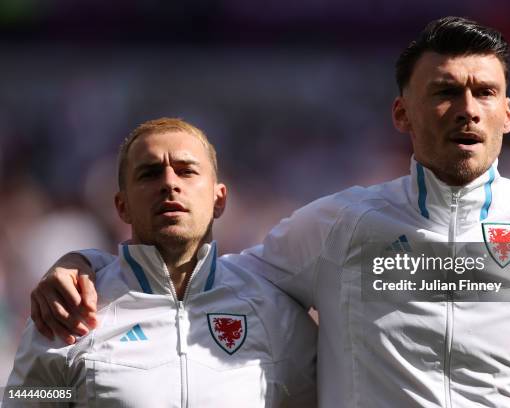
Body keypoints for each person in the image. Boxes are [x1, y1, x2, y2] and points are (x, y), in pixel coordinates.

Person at [29, 17, 510, 407]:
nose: (466, 109)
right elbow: (198, 275)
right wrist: (85, 264)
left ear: (507, 114)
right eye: (443, 91)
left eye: (484, 92)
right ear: (402, 114)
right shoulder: (339, 229)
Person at [5, 118, 317, 407]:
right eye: (150, 173)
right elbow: (27, 396)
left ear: (219, 199)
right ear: (122, 206)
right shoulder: (69, 310)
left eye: (186, 170)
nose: (169, 183)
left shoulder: (274, 314)